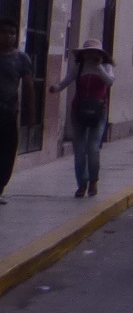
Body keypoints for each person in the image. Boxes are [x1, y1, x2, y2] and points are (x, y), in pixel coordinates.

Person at [48, 40, 116, 198]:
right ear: (82, 54)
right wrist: (55, 88)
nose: (91, 55)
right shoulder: (78, 68)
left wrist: (98, 67)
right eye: (88, 52)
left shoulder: (106, 67)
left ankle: (93, 180)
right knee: (79, 150)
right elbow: (66, 81)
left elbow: (110, 82)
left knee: (92, 147)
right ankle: (82, 184)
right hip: (78, 110)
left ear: (100, 54)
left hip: (98, 111)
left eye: (95, 52)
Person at [0, 18, 35, 207]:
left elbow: (29, 85)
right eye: (4, 32)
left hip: (8, 113)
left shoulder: (21, 58)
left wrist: (31, 114)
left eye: (12, 33)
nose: (8, 37)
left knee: (7, 152)